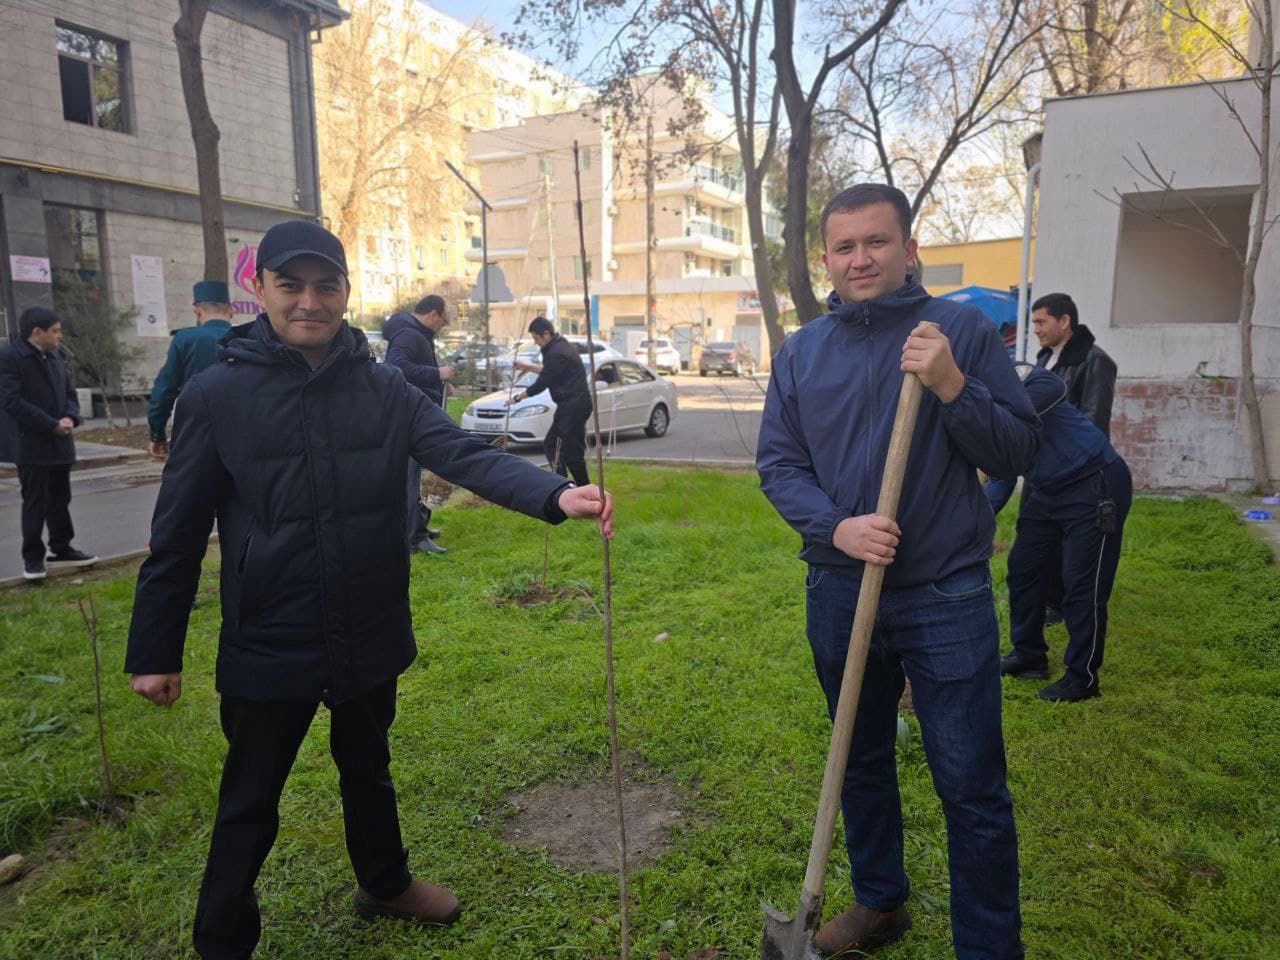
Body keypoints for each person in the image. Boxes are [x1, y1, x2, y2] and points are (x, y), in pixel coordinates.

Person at [124, 220, 613, 960]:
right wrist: (154, 649)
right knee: (249, 800)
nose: (310, 301)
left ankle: (383, 882)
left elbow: (457, 452)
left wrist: (554, 495)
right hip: (269, 633)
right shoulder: (215, 397)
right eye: (291, 285)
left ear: (346, 294)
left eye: (326, 286)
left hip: (368, 619)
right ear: (260, 291)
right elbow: (178, 532)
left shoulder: (383, 388)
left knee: (368, 767)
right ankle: (221, 942)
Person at [757, 184, 1039, 960]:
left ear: (909, 248)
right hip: (840, 588)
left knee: (970, 783)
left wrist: (953, 385)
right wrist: (836, 526)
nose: (860, 259)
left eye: (876, 242)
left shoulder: (961, 332)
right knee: (858, 757)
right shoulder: (802, 351)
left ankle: (987, 948)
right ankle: (881, 902)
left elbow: (1017, 453)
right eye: (844, 247)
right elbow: (779, 465)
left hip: (945, 591)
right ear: (825, 259)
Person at [999, 365, 1132, 701]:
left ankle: (1082, 678)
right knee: (1024, 570)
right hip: (1047, 490)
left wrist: (997, 412)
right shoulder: (975, 407)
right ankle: (1029, 658)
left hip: (1094, 481)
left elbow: (1050, 385)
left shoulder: (1012, 374)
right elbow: (1000, 475)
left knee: (1082, 585)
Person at [0, 307, 97, 580]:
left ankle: (62, 548)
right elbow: (11, 401)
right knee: (35, 502)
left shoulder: (56, 355)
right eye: (55, 331)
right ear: (36, 332)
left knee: (60, 499)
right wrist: (50, 424)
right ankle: (33, 559)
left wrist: (70, 417)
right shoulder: (10, 358)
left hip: (60, 441)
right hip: (30, 444)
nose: (59, 336)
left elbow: (69, 392)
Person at [384, 294, 453, 556]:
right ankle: (415, 538)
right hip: (412, 417)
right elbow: (396, 367)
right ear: (433, 314)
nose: (442, 327)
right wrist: (437, 374)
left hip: (416, 411)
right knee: (417, 477)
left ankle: (417, 527)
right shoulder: (408, 335)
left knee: (420, 475)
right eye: (443, 322)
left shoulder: (414, 333)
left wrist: (438, 383)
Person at [147, 281, 236, 461]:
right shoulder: (248, 338)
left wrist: (157, 434)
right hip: (243, 434)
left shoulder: (185, 339)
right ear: (231, 311)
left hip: (196, 435)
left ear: (197, 311)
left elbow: (165, 390)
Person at [511, 316, 592, 485]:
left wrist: (518, 397)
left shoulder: (556, 353)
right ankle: (581, 489)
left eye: (536, 338)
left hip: (572, 406)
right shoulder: (560, 347)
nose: (535, 342)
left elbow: (543, 383)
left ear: (546, 334)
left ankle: (562, 486)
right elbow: (551, 371)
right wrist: (527, 367)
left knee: (555, 446)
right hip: (575, 405)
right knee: (570, 451)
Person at [1030, 292, 1116, 437]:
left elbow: (1094, 424)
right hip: (1044, 453)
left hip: (1073, 456)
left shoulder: (1095, 360)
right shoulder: (1044, 357)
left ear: (1064, 321)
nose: (1036, 330)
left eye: (1041, 322)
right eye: (1034, 323)